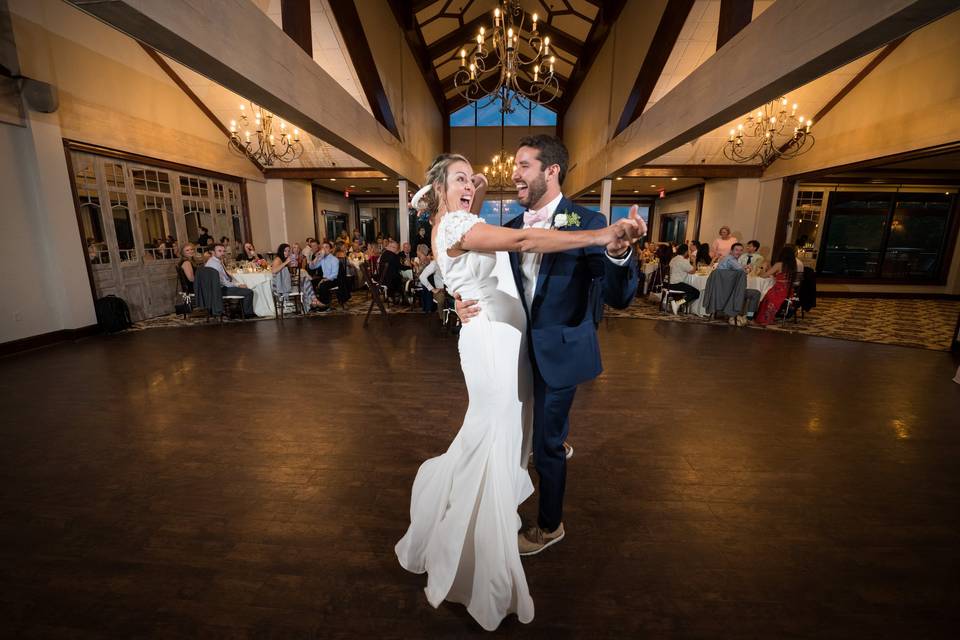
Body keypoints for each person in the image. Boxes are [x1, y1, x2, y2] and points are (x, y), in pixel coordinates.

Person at [395, 151, 642, 631]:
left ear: (552, 170)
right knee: (493, 436)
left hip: (522, 341)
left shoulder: (457, 217)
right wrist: (601, 233)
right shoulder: (459, 226)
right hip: (492, 342)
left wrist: (473, 188)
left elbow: (462, 252)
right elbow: (523, 238)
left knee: (513, 438)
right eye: (460, 179)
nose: (477, 184)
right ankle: (480, 548)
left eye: (475, 179)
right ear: (439, 190)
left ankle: (512, 522)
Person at [456, 135, 641, 554]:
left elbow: (620, 297)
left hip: (560, 350)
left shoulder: (591, 222)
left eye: (523, 166)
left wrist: (617, 254)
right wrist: (460, 300)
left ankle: (549, 525)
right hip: (511, 353)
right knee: (515, 437)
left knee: (546, 445)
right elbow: (484, 278)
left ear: (551, 171)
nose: (515, 174)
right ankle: (508, 505)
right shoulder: (514, 229)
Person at [204, 243, 255, 317]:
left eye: (223, 251)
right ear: (213, 252)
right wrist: (238, 285)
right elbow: (223, 282)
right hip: (219, 290)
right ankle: (248, 314)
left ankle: (240, 310)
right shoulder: (214, 264)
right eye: (219, 251)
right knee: (249, 292)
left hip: (218, 287)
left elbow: (225, 278)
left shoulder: (215, 261)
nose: (222, 253)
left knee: (244, 286)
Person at [754, 244, 799, 326]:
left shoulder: (779, 264)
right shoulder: (793, 265)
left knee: (765, 295)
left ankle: (764, 318)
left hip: (779, 289)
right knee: (767, 293)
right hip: (789, 290)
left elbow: (763, 275)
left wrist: (762, 268)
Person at [667, 243, 699, 314]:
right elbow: (693, 271)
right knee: (696, 293)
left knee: (688, 289)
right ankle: (678, 303)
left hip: (669, 283)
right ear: (686, 252)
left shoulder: (673, 259)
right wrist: (694, 261)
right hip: (676, 284)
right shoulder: (683, 261)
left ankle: (677, 304)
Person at [308, 241, 339, 309]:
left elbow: (334, 274)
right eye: (323, 247)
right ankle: (315, 301)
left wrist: (324, 280)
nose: (324, 249)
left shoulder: (334, 259)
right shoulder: (322, 258)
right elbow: (311, 267)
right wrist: (317, 257)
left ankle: (324, 303)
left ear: (330, 249)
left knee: (323, 285)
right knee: (311, 282)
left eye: (326, 247)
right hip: (324, 278)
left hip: (333, 279)